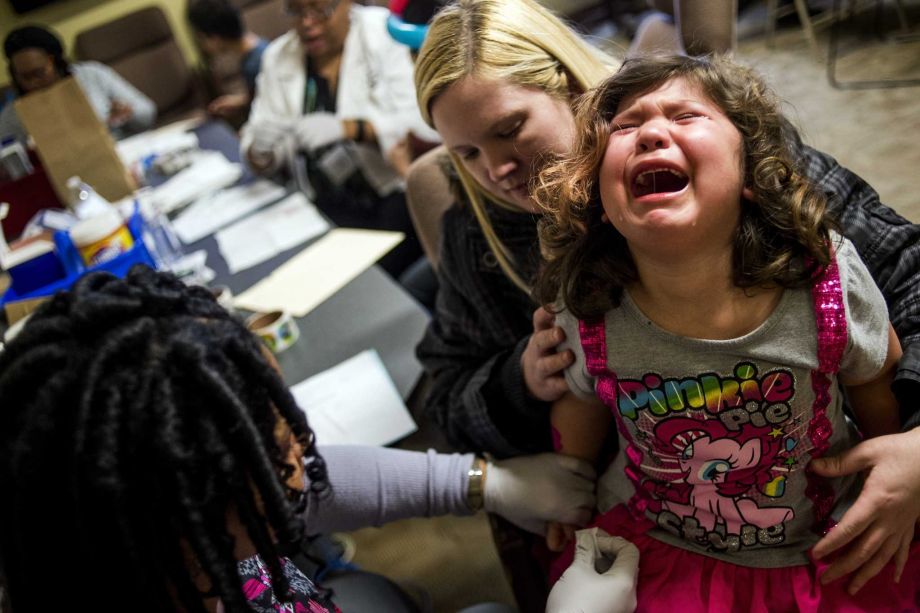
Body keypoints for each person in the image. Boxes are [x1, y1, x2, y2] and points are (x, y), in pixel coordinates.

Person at [413, 0, 920, 593]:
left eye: (510, 129)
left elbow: (906, 270)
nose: (496, 168)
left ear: (577, 92)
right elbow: (445, 395)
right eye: (466, 153)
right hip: (656, 528)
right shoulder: (477, 234)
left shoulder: (714, 143)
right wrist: (519, 383)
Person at [0, 266, 642, 613]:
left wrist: (482, 482)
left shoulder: (130, 552)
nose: (305, 456)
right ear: (188, 513)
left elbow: (301, 490)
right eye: (277, 449)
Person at [532, 54, 920, 610]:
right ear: (596, 194)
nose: (651, 133)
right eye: (625, 126)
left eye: (686, 116)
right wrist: (567, 484)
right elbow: (580, 403)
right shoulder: (588, 306)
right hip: (661, 547)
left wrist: (897, 469)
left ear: (751, 176)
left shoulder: (826, 281)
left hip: (825, 544)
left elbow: (876, 377)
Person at [239, 0, 426, 279]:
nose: (307, 22)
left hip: (389, 197)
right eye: (296, 11)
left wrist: (353, 128)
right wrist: (261, 152)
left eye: (320, 9)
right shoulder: (279, 56)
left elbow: (423, 122)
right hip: (320, 204)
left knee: (364, 283)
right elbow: (256, 138)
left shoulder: (384, 32)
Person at [0, 25, 156, 145]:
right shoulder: (14, 113)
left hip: (120, 152)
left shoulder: (91, 74)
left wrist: (128, 113)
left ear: (55, 62)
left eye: (39, 73)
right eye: (24, 77)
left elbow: (148, 113)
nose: (33, 83)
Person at [187, 0, 269, 121]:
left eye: (201, 38)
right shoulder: (260, 47)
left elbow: (266, 111)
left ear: (215, 38)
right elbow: (260, 95)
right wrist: (239, 101)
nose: (202, 45)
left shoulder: (253, 66)